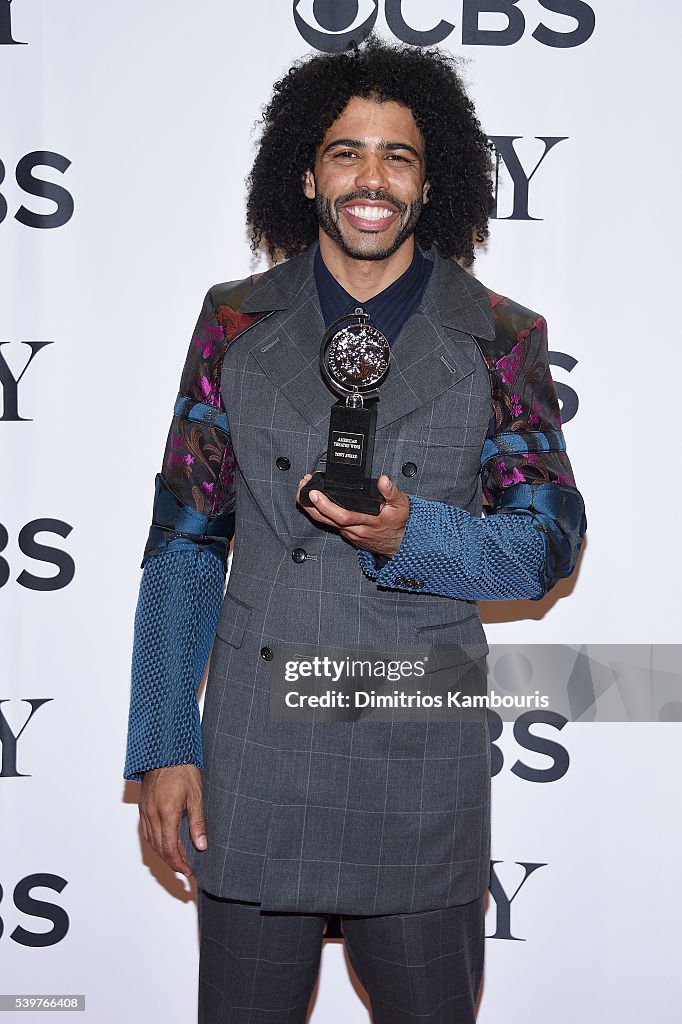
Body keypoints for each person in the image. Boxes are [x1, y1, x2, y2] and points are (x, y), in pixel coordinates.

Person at [124, 38, 585, 1024]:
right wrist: (166, 736)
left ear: (433, 182)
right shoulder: (235, 322)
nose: (370, 177)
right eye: (345, 152)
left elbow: (546, 543)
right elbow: (184, 541)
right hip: (254, 754)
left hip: (415, 756)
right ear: (306, 171)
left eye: (398, 156)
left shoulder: (502, 335)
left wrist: (413, 534)